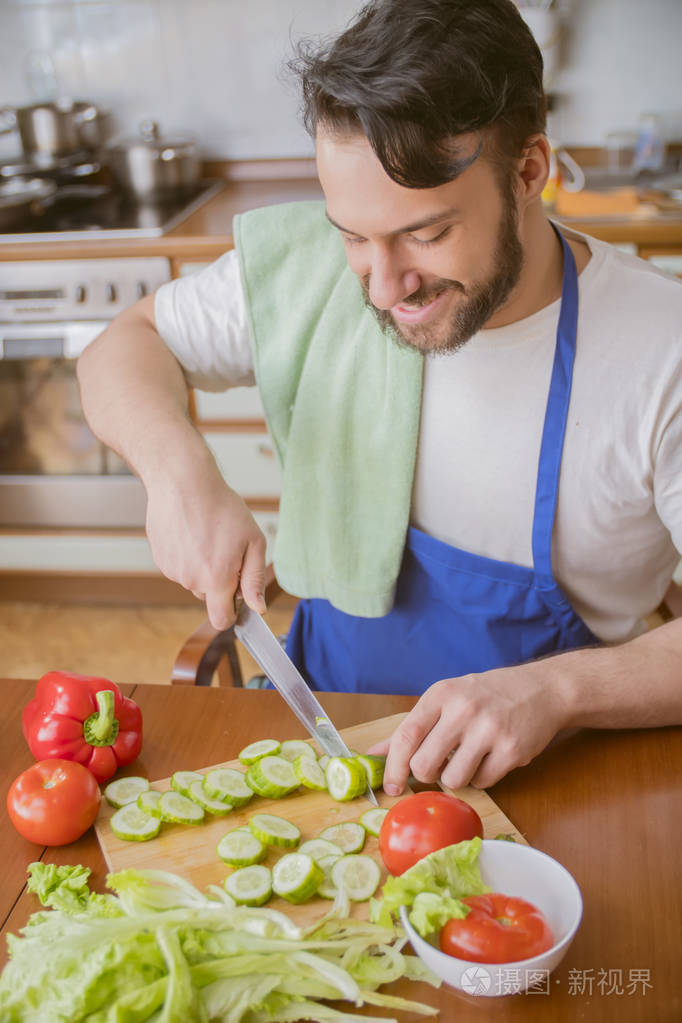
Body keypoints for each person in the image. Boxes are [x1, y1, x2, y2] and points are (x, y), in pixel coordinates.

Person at [78, 0, 682, 798]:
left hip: (562, 777)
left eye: (426, 233)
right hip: (332, 736)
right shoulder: (309, 273)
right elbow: (119, 346)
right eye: (354, 234)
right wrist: (177, 471)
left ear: (531, 170)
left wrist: (556, 692)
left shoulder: (660, 349)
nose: (385, 287)